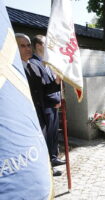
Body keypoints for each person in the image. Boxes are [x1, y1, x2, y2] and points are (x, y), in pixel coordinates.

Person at [15, 33, 62, 176]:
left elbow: (44, 89)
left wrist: (57, 82)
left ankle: (47, 168)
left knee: (44, 141)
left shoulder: (33, 66)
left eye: (28, 45)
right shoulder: (14, 69)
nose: (27, 48)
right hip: (25, 116)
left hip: (41, 113)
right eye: (22, 46)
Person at [30, 35, 66, 169]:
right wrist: (53, 100)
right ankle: (48, 165)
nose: (49, 47)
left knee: (54, 134)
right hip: (46, 106)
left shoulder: (47, 62)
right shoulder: (33, 63)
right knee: (47, 136)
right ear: (38, 45)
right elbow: (41, 88)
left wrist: (58, 98)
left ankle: (54, 158)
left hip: (54, 105)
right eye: (46, 44)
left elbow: (53, 83)